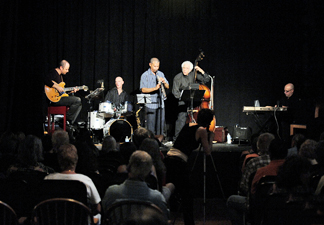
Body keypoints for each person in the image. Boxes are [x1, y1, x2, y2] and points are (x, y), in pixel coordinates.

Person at [164, 108, 215, 225]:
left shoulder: (188, 125)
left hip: (169, 158)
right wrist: (210, 137)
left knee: (171, 190)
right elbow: (207, 152)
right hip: (179, 162)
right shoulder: (202, 130)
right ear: (208, 121)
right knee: (187, 196)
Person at [102, 150, 170, 220]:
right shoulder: (157, 198)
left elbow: (104, 213)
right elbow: (164, 218)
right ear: (149, 173)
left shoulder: (111, 192)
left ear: (128, 168)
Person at [44, 144, 101, 215]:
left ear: (59, 160)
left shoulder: (48, 179)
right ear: (76, 160)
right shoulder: (85, 181)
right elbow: (97, 207)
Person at [172, 61, 210, 141]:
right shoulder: (177, 77)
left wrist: (201, 71)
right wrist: (183, 98)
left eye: (187, 68)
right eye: (183, 68)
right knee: (181, 120)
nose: (185, 70)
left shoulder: (194, 75)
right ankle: (177, 139)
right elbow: (175, 92)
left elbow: (207, 79)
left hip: (194, 102)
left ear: (191, 69)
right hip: (182, 103)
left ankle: (194, 138)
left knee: (197, 119)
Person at [44, 60, 82, 125]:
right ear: (61, 68)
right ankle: (66, 120)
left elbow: (61, 93)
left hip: (58, 97)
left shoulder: (60, 77)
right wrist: (56, 86)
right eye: (66, 69)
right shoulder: (54, 72)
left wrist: (71, 91)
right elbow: (45, 79)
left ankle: (68, 122)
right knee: (77, 100)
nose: (67, 71)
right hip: (53, 100)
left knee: (79, 103)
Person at [140, 58, 169, 136]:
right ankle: (150, 142)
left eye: (158, 66)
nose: (156, 68)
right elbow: (143, 89)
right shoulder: (145, 75)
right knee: (151, 126)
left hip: (160, 103)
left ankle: (159, 141)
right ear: (150, 64)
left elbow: (167, 86)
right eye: (155, 66)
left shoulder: (161, 74)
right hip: (150, 104)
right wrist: (155, 88)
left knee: (160, 126)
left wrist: (164, 82)